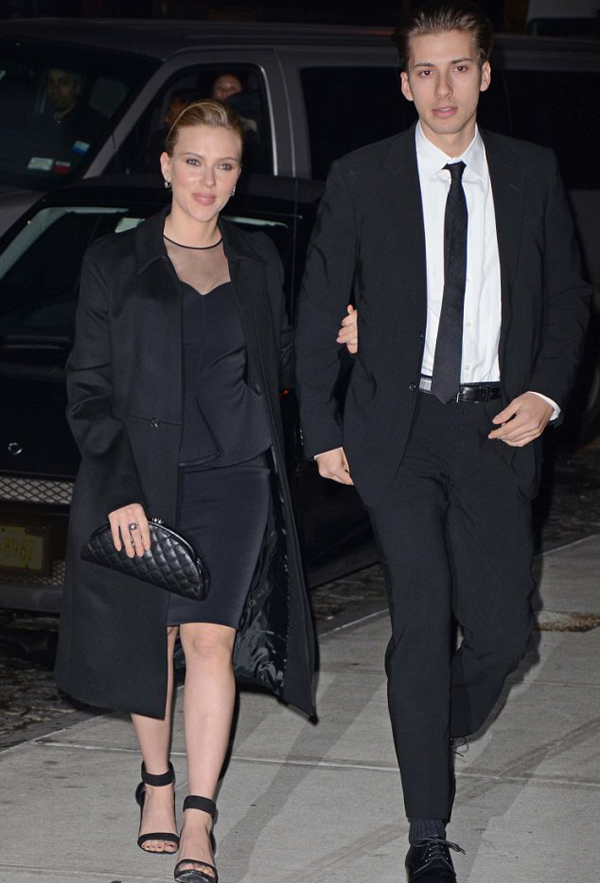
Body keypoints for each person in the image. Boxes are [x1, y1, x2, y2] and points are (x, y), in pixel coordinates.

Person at [295, 3, 591, 881]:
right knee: (421, 617)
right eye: (425, 71)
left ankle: (431, 720)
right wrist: (321, 427)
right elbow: (319, 306)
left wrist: (545, 393)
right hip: (400, 428)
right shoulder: (363, 176)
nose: (443, 87)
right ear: (405, 84)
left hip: (496, 426)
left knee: (504, 631)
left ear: (485, 74)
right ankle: (428, 830)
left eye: (459, 67)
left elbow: (569, 297)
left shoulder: (532, 172)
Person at [54, 99, 356, 883]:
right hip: (145, 481)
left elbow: (281, 359)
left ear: (237, 174)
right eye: (194, 161)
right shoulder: (114, 262)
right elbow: (88, 389)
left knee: (210, 641)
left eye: (224, 165)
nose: (208, 179)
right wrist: (120, 487)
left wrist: (339, 339)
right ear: (166, 166)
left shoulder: (257, 258)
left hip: (236, 477)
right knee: (150, 638)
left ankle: (198, 815)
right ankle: (156, 781)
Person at [44, 67, 106, 162]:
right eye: (51, 83)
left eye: (64, 83)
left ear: (77, 88)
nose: (55, 90)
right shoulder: (39, 122)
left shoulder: (94, 125)